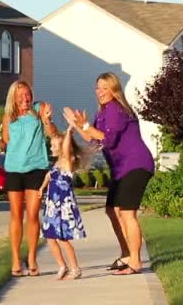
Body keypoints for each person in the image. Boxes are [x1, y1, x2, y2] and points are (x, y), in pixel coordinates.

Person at [63, 72, 154, 275]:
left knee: (127, 213)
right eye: (98, 88)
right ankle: (126, 254)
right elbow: (94, 140)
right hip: (121, 168)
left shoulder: (116, 109)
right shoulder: (103, 113)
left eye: (105, 87)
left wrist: (84, 125)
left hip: (136, 164)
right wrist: (77, 125)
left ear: (114, 90)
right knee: (112, 211)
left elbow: (109, 139)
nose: (100, 91)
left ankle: (135, 261)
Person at [0, 80, 57, 277]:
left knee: (32, 215)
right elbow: (6, 145)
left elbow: (53, 134)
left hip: (36, 169)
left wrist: (47, 119)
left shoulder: (39, 109)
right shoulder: (9, 116)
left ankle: (32, 257)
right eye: (20, 95)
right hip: (14, 169)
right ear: (13, 98)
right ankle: (15, 259)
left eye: (27, 94)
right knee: (16, 214)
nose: (25, 98)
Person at [38, 124, 86, 280]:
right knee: (50, 237)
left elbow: (66, 147)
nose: (50, 147)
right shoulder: (57, 164)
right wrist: (42, 188)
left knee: (63, 238)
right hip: (52, 205)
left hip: (63, 206)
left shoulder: (67, 162)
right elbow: (48, 176)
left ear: (62, 148)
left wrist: (69, 132)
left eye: (53, 145)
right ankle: (62, 266)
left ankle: (75, 269)